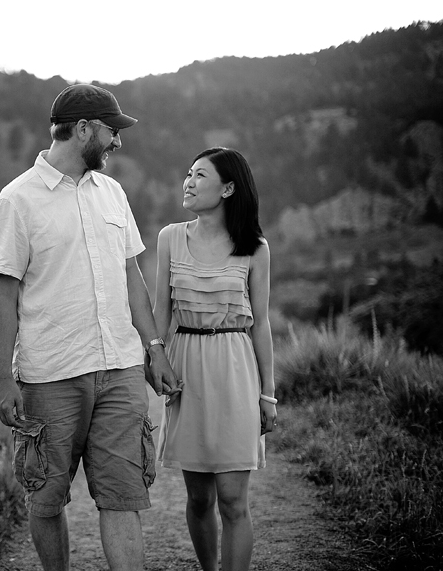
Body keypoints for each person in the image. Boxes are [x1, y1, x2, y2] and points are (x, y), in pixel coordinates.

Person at [0, 83, 180, 571]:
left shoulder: (113, 194)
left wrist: (153, 347)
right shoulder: (17, 200)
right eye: (112, 131)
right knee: (47, 498)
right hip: (51, 375)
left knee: (124, 496)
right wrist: (1, 377)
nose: (118, 142)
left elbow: (132, 276)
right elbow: (2, 293)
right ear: (83, 129)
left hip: (119, 369)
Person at [152, 147, 278, 571]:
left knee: (232, 500)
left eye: (200, 175)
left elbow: (260, 324)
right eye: (188, 173)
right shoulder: (170, 237)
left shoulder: (254, 248)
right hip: (187, 366)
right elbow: (160, 314)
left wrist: (268, 393)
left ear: (228, 188)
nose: (188, 181)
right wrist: (156, 360)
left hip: (235, 367)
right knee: (199, 497)